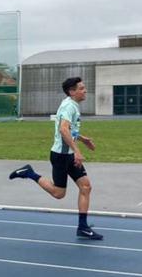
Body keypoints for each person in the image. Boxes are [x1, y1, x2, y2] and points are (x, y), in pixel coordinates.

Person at [9, 77, 103, 240]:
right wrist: (77, 151)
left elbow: (69, 129)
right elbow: (63, 130)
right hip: (61, 156)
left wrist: (82, 138)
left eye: (84, 88)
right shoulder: (68, 106)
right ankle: (29, 173)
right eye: (81, 88)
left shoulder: (72, 104)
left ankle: (83, 227)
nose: (85, 90)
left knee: (86, 187)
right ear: (72, 92)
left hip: (69, 155)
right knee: (59, 194)